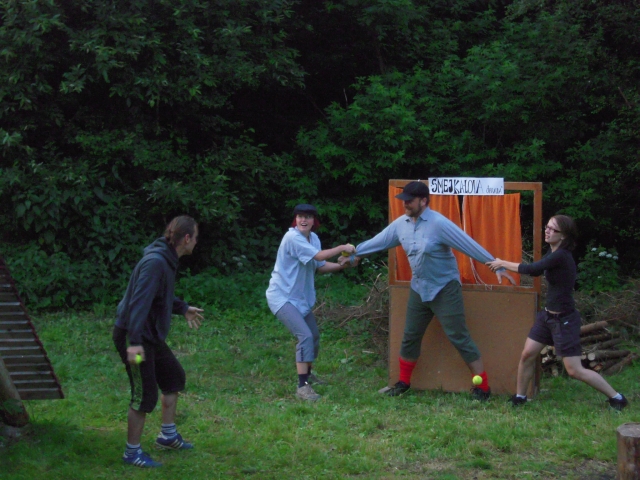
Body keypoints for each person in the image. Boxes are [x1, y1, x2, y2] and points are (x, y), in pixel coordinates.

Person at [339, 181, 514, 400]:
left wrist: (495, 265)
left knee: (459, 336)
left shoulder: (439, 224)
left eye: (410, 201)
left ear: (423, 201)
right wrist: (353, 255)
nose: (405, 204)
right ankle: (403, 383)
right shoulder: (400, 225)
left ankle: (482, 388)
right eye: (403, 200)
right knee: (410, 336)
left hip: (445, 288)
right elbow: (378, 242)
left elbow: (467, 244)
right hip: (419, 288)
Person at [486, 214, 628, 410]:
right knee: (527, 354)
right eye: (547, 227)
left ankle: (617, 398)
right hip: (547, 317)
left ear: (563, 236)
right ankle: (520, 397)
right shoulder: (552, 251)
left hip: (564, 319)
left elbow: (532, 268)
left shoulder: (561, 256)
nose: (547, 231)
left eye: (553, 229)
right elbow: (537, 271)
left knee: (574, 370)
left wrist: (502, 263)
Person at [113, 215, 205, 468]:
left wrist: (182, 308)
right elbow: (138, 304)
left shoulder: (166, 259)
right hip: (134, 338)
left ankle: (167, 436)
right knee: (144, 394)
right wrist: (134, 344)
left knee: (173, 377)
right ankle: (132, 453)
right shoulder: (156, 262)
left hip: (149, 335)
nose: (196, 242)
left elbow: (159, 296)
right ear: (186, 238)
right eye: (196, 237)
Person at [266, 204, 357, 401]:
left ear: (314, 220)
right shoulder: (292, 237)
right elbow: (318, 256)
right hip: (281, 297)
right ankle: (302, 387)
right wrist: (342, 248)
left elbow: (320, 266)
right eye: (300, 216)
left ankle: (307, 375)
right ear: (295, 219)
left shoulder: (313, 238)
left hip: (300, 298)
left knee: (313, 336)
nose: (303, 220)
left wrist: (344, 265)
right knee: (305, 336)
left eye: (307, 217)